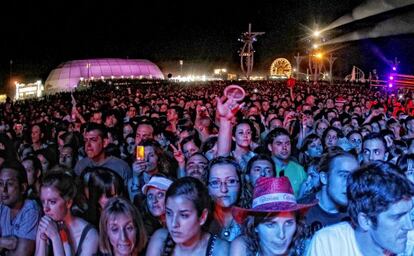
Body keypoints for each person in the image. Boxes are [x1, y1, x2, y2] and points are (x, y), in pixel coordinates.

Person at [306, 161, 414, 256]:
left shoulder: (410, 244)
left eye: (409, 214)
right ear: (365, 221)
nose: (409, 226)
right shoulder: (328, 244)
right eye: (397, 217)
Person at [230, 176, 317, 256]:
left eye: (288, 223)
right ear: (255, 226)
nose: (281, 235)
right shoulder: (243, 248)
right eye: (271, 224)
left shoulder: (309, 249)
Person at [146, 177, 229, 256]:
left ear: (203, 217)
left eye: (184, 215)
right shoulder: (160, 239)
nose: (174, 224)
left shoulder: (220, 250)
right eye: (169, 213)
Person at [35, 171, 99, 256]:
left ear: (68, 203)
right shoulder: (46, 225)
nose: (45, 208)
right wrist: (42, 240)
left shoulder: (90, 235)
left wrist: (55, 238)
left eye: (52, 202)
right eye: (43, 202)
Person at [0, 161, 41, 255]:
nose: (3, 190)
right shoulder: (3, 207)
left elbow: (21, 253)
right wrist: (8, 242)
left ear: (22, 188)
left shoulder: (31, 209)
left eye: (10, 184)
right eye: (0, 184)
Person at [207, 157, 246, 242]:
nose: (224, 189)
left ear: (241, 185)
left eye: (231, 181)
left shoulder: (251, 222)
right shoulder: (201, 223)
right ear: (208, 188)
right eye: (215, 182)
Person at [265, 127, 307, 196]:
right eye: (279, 144)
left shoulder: (299, 170)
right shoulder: (264, 169)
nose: (284, 147)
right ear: (270, 147)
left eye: (287, 144)